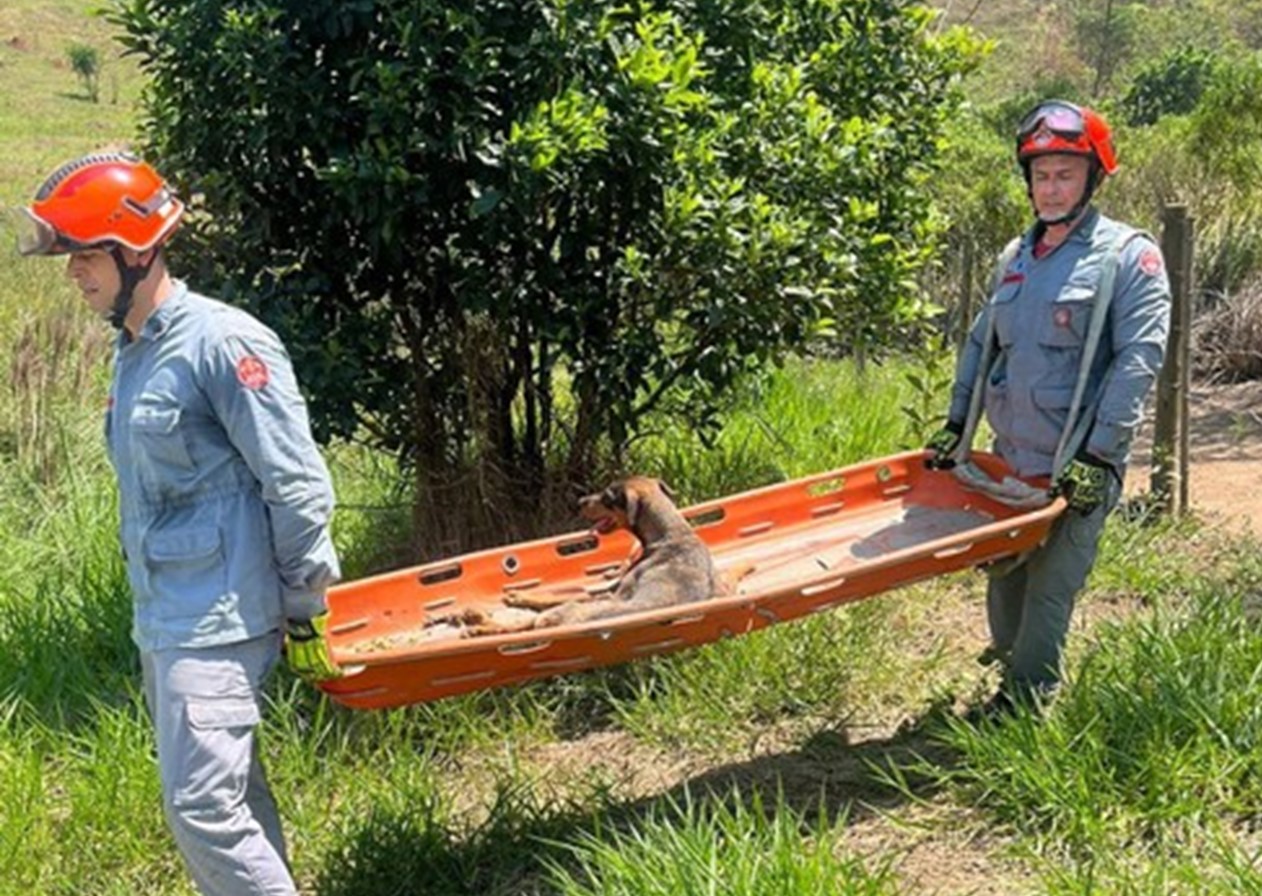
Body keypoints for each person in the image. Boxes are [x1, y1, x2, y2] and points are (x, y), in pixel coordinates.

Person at [18, 151, 344, 895]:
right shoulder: (134, 350)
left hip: (221, 618)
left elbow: (294, 482)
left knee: (202, 808)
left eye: (86, 254)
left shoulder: (223, 342)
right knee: (230, 798)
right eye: (70, 256)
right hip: (168, 615)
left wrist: (307, 602)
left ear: (137, 250)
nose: (73, 273)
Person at [926, 101, 1170, 717]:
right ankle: (1012, 673)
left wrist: (1099, 455)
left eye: (1065, 174)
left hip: (1077, 464)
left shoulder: (1127, 259)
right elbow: (982, 346)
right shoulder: (1015, 259)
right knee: (1006, 578)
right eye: (1041, 175)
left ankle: (1026, 710)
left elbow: (1137, 363)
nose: (1051, 187)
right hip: (1010, 462)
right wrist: (958, 423)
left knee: (1048, 591)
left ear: (1092, 177)